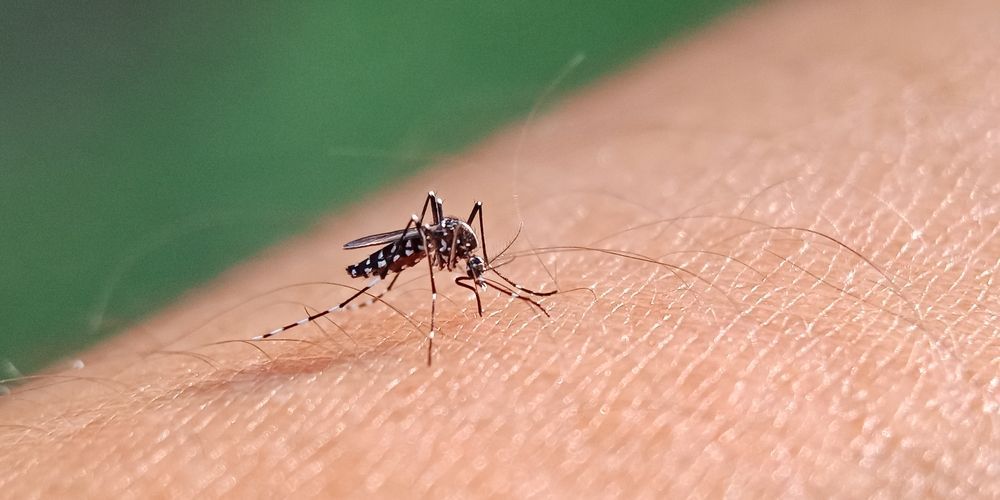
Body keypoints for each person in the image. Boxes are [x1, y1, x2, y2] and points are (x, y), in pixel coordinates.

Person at [1, 0, 996, 496]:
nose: (463, 265)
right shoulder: (429, 247)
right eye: (467, 263)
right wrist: (431, 291)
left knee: (439, 226)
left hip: (412, 241)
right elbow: (428, 246)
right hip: (393, 252)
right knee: (393, 268)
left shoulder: (453, 237)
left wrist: (472, 275)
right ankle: (348, 308)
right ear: (452, 255)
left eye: (465, 265)